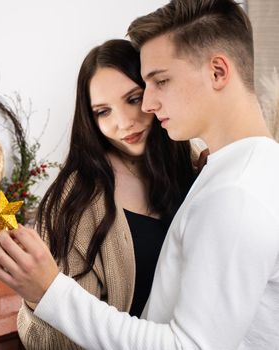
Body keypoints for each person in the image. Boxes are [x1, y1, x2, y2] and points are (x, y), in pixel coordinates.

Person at [0, 0, 279, 349]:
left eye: (159, 82)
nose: (146, 106)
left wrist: (50, 291)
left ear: (218, 72)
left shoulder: (233, 192)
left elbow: (187, 345)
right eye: (103, 110)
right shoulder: (227, 170)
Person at [17, 39, 198, 349]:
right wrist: (39, 297)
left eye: (133, 99)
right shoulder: (77, 200)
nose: (123, 122)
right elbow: (55, 338)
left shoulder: (190, 164)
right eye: (103, 111)